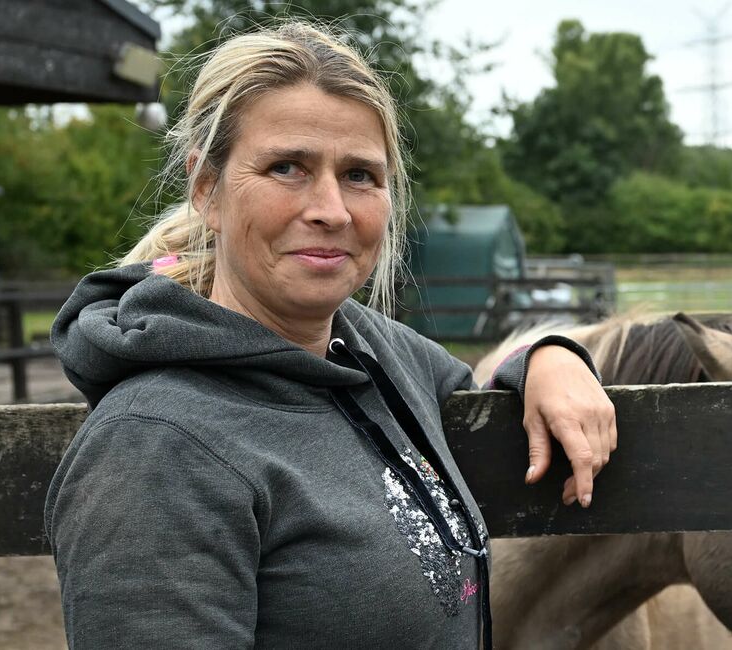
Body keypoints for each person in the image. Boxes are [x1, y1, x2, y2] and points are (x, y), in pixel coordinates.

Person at [45, 22, 613, 648]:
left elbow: (473, 390)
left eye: (360, 176)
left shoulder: (375, 349)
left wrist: (549, 357)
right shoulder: (155, 447)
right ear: (207, 188)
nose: (332, 210)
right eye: (287, 167)